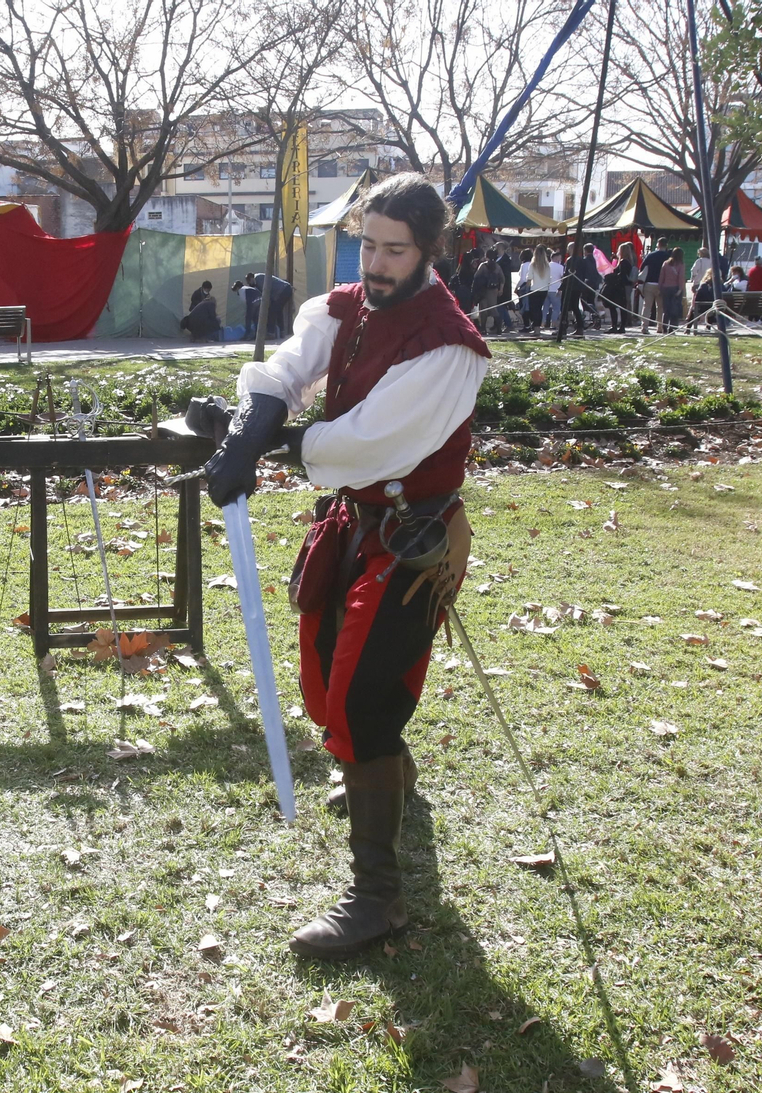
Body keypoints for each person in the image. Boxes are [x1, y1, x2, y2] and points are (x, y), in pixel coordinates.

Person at [187, 173, 488, 960]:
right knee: (327, 676)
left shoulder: (449, 346)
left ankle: (377, 895)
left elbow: (369, 442)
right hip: (354, 525)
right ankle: (387, 772)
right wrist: (257, 413)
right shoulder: (348, 305)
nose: (378, 264)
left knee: (362, 694)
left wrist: (272, 443)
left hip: (413, 538)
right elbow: (292, 365)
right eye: (368, 244)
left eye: (396, 249)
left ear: (430, 251)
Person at [562, 242, 599, 336]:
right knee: (575, 307)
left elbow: (567, 274)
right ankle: (579, 327)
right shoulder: (583, 260)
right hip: (579, 286)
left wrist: (561, 287)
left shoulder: (571, 260)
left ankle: (564, 327)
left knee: (566, 307)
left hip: (571, 286)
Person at [602, 242, 636, 333]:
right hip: (623, 286)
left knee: (613, 306)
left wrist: (612, 276)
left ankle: (615, 326)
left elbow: (622, 275)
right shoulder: (628, 261)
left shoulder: (623, 262)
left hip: (619, 287)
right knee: (622, 307)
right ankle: (621, 326)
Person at [470, 250, 505, 334]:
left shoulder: (483, 265)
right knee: (493, 308)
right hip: (494, 290)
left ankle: (483, 329)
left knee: (483, 309)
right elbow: (502, 278)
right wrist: (501, 289)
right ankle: (499, 328)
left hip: (483, 290)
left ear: (486, 256)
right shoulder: (497, 266)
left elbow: (476, 276)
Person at [638, 242, 669, 333]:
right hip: (661, 285)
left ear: (658, 245)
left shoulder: (650, 255)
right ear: (665, 246)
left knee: (647, 306)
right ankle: (660, 327)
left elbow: (642, 267)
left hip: (649, 283)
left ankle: (644, 327)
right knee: (660, 307)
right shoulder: (667, 256)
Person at [659, 247, 685, 331]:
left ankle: (664, 326)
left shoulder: (665, 263)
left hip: (665, 288)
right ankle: (672, 327)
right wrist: (680, 289)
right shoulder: (681, 265)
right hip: (675, 288)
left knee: (666, 309)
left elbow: (661, 277)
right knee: (674, 309)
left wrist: (660, 288)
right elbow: (681, 278)